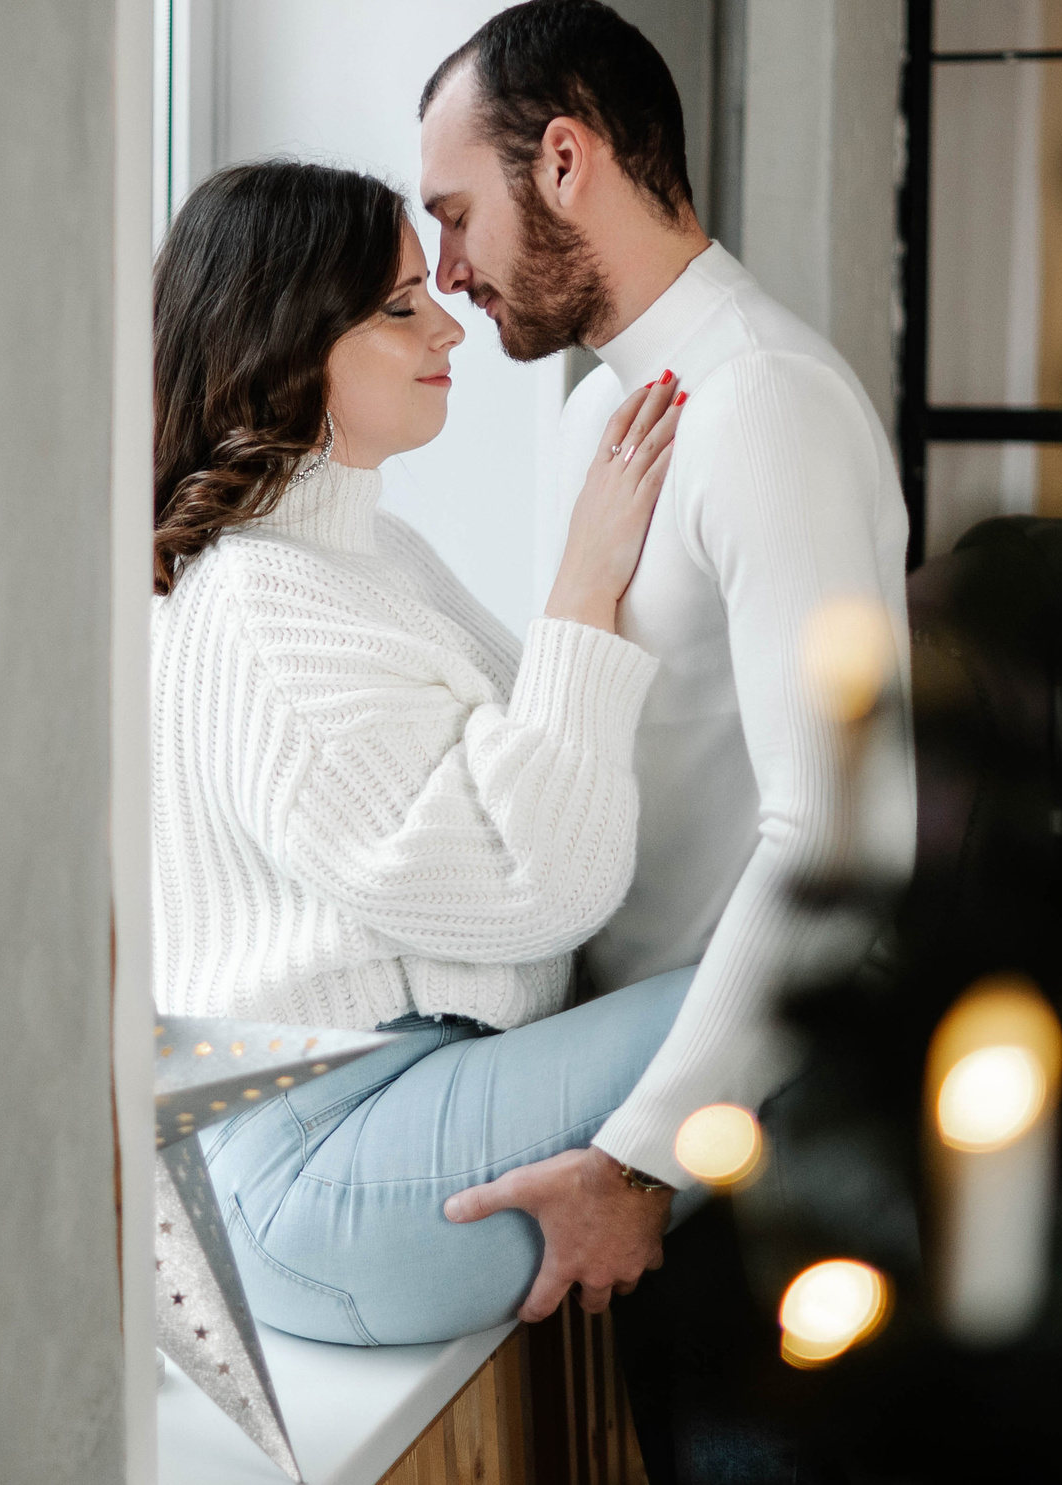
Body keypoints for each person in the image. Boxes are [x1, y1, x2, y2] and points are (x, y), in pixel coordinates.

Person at [415, 0, 914, 1323]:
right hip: (635, 1093)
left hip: (759, 1135)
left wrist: (646, 1153)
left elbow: (847, 837)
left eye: (456, 213)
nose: (447, 269)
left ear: (566, 160)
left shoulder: (766, 404)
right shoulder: (600, 420)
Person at [149, 158, 699, 1346]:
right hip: (324, 1171)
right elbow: (538, 881)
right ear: (285, 341)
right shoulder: (262, 609)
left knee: (791, 989)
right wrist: (582, 584)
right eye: (399, 304)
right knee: (806, 988)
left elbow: (518, 801)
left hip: (408, 1111)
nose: (449, 318)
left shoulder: (364, 555)